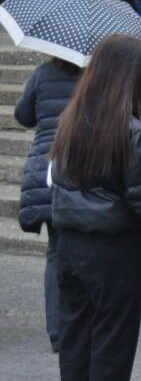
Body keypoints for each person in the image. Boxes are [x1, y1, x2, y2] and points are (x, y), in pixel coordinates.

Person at [49, 35, 141, 381]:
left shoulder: (71, 118)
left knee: (75, 344)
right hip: (115, 250)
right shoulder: (131, 132)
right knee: (112, 348)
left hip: (69, 245)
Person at [16, 57, 83, 353]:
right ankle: (78, 322)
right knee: (76, 248)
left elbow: (23, 115)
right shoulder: (92, 75)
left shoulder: (42, 72)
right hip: (78, 167)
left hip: (44, 170)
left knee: (55, 253)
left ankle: (57, 330)